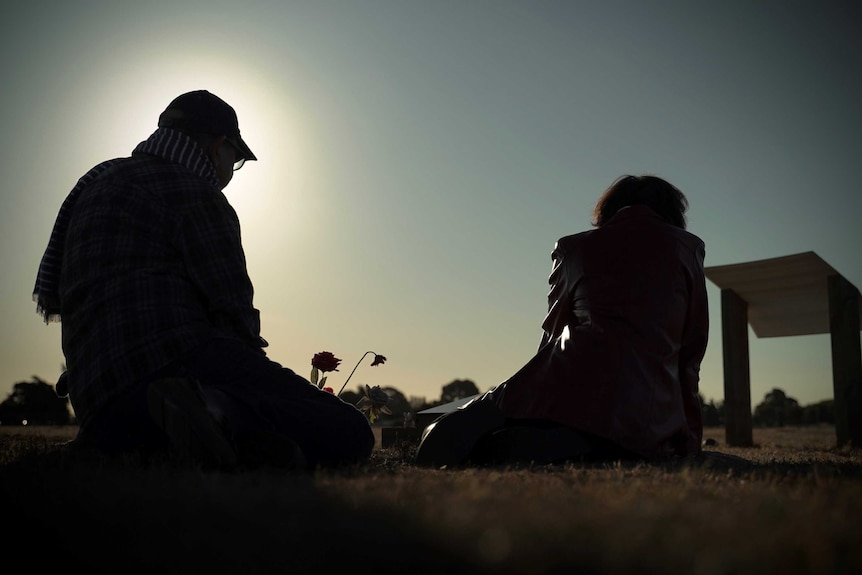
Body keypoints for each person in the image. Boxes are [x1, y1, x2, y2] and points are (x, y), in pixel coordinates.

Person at [33, 90, 375, 470]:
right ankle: (213, 412)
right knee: (349, 429)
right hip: (174, 368)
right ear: (217, 146)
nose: (233, 167)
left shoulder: (97, 183)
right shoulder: (194, 191)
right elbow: (233, 315)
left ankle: (174, 439)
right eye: (237, 157)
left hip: (99, 405)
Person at [415, 175, 709, 467]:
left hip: (576, 393)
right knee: (491, 435)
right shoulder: (688, 250)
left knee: (452, 427)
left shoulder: (573, 249)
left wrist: (520, 403)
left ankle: (547, 436)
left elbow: (551, 341)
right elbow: (689, 358)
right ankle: (582, 440)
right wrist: (690, 439)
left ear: (609, 209)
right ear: (672, 213)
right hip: (648, 421)